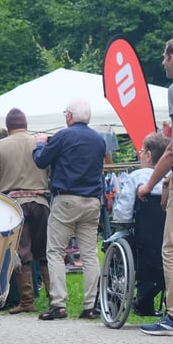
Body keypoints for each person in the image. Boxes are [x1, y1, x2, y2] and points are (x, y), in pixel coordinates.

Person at [32, 97, 106, 321]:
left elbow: (41, 161)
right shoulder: (99, 140)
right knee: (90, 254)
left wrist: (40, 144)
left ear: (70, 116)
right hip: (92, 201)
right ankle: (91, 305)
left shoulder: (63, 136)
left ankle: (58, 304)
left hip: (67, 199)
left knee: (55, 251)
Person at [139, 37, 173, 336]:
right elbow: (171, 147)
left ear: (172, 58)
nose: (162, 62)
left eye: (163, 57)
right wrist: (151, 182)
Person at [0, 108, 49, 314]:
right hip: (40, 201)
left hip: (13, 206)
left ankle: (27, 301)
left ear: (7, 126)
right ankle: (55, 298)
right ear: (25, 124)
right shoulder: (40, 143)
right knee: (46, 252)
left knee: (22, 252)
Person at [113, 131, 169, 315]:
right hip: (172, 240)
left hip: (144, 242)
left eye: (141, 150)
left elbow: (122, 215)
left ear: (148, 155)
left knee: (120, 242)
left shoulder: (137, 177)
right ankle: (147, 301)